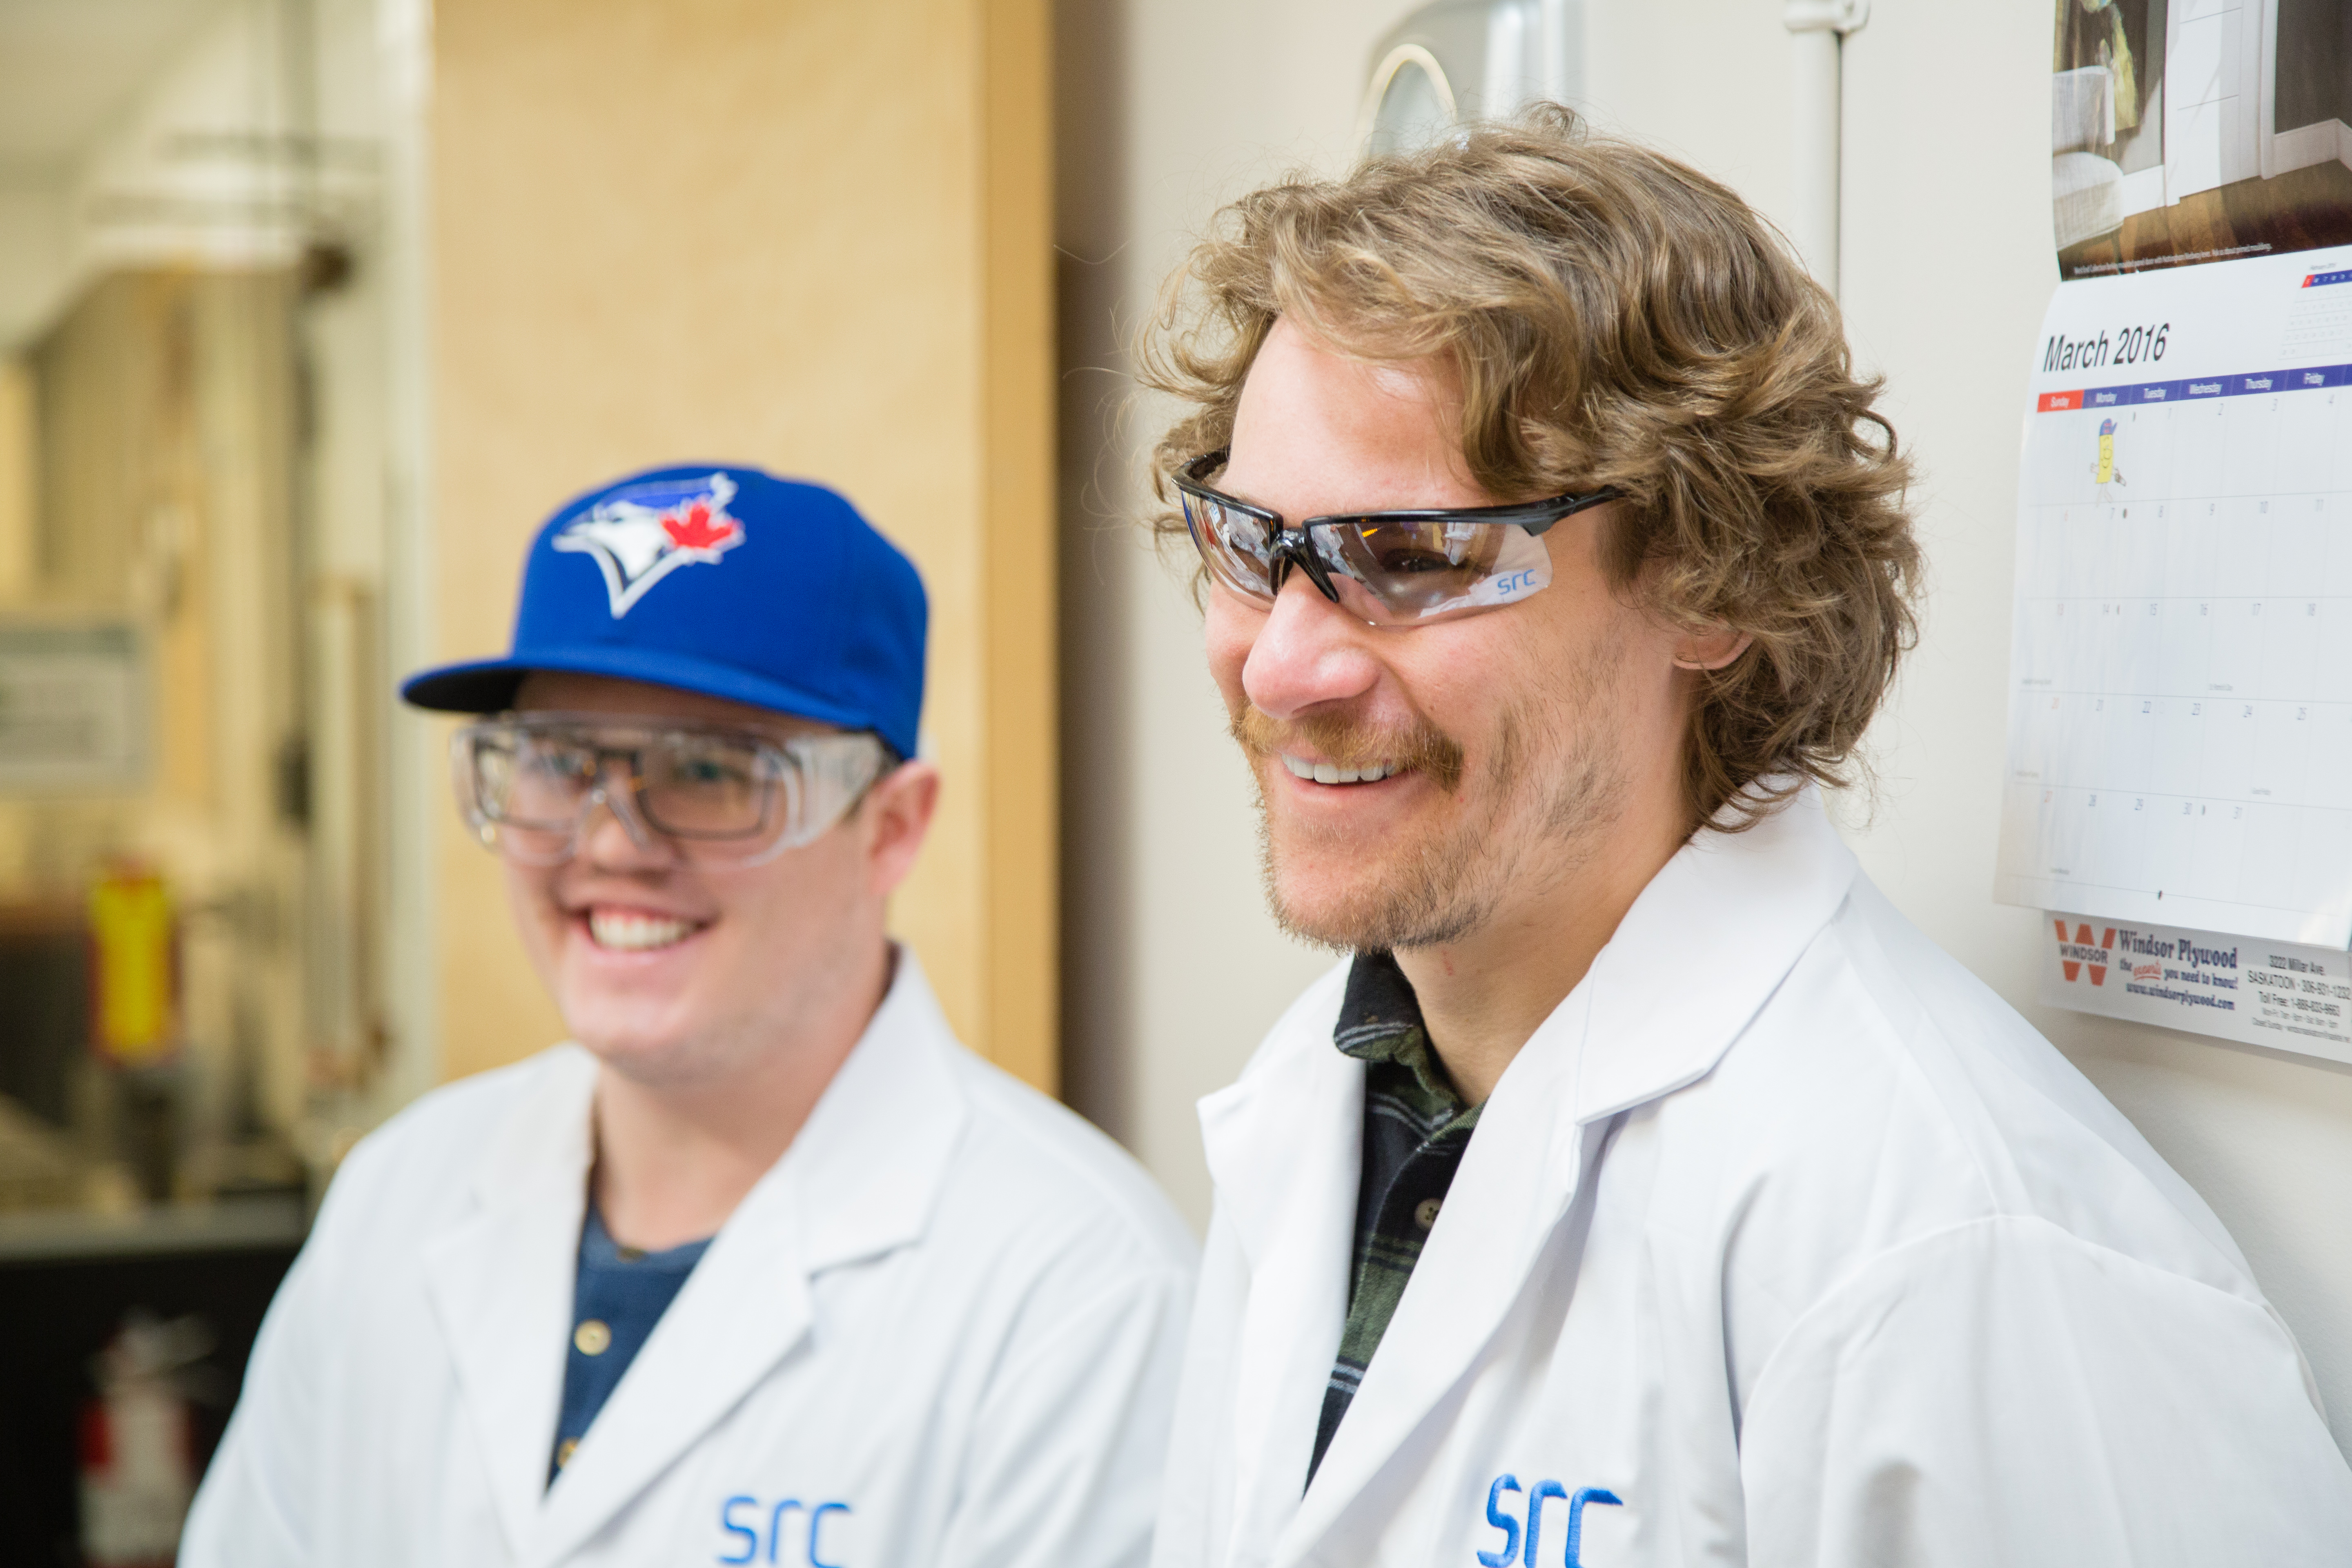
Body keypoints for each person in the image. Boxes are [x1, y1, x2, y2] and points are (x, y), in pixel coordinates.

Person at [1139, 111, 2352, 1568]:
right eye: (1248, 542)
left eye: (1409, 559)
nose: (1280, 667)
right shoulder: (1333, 1098)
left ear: (1711, 586)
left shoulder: (1965, 1251)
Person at [183, 465, 1196, 1567]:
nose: (613, 844)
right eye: (561, 764)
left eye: (712, 772)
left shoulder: (1079, 1296)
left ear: (892, 826)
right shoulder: (398, 1196)